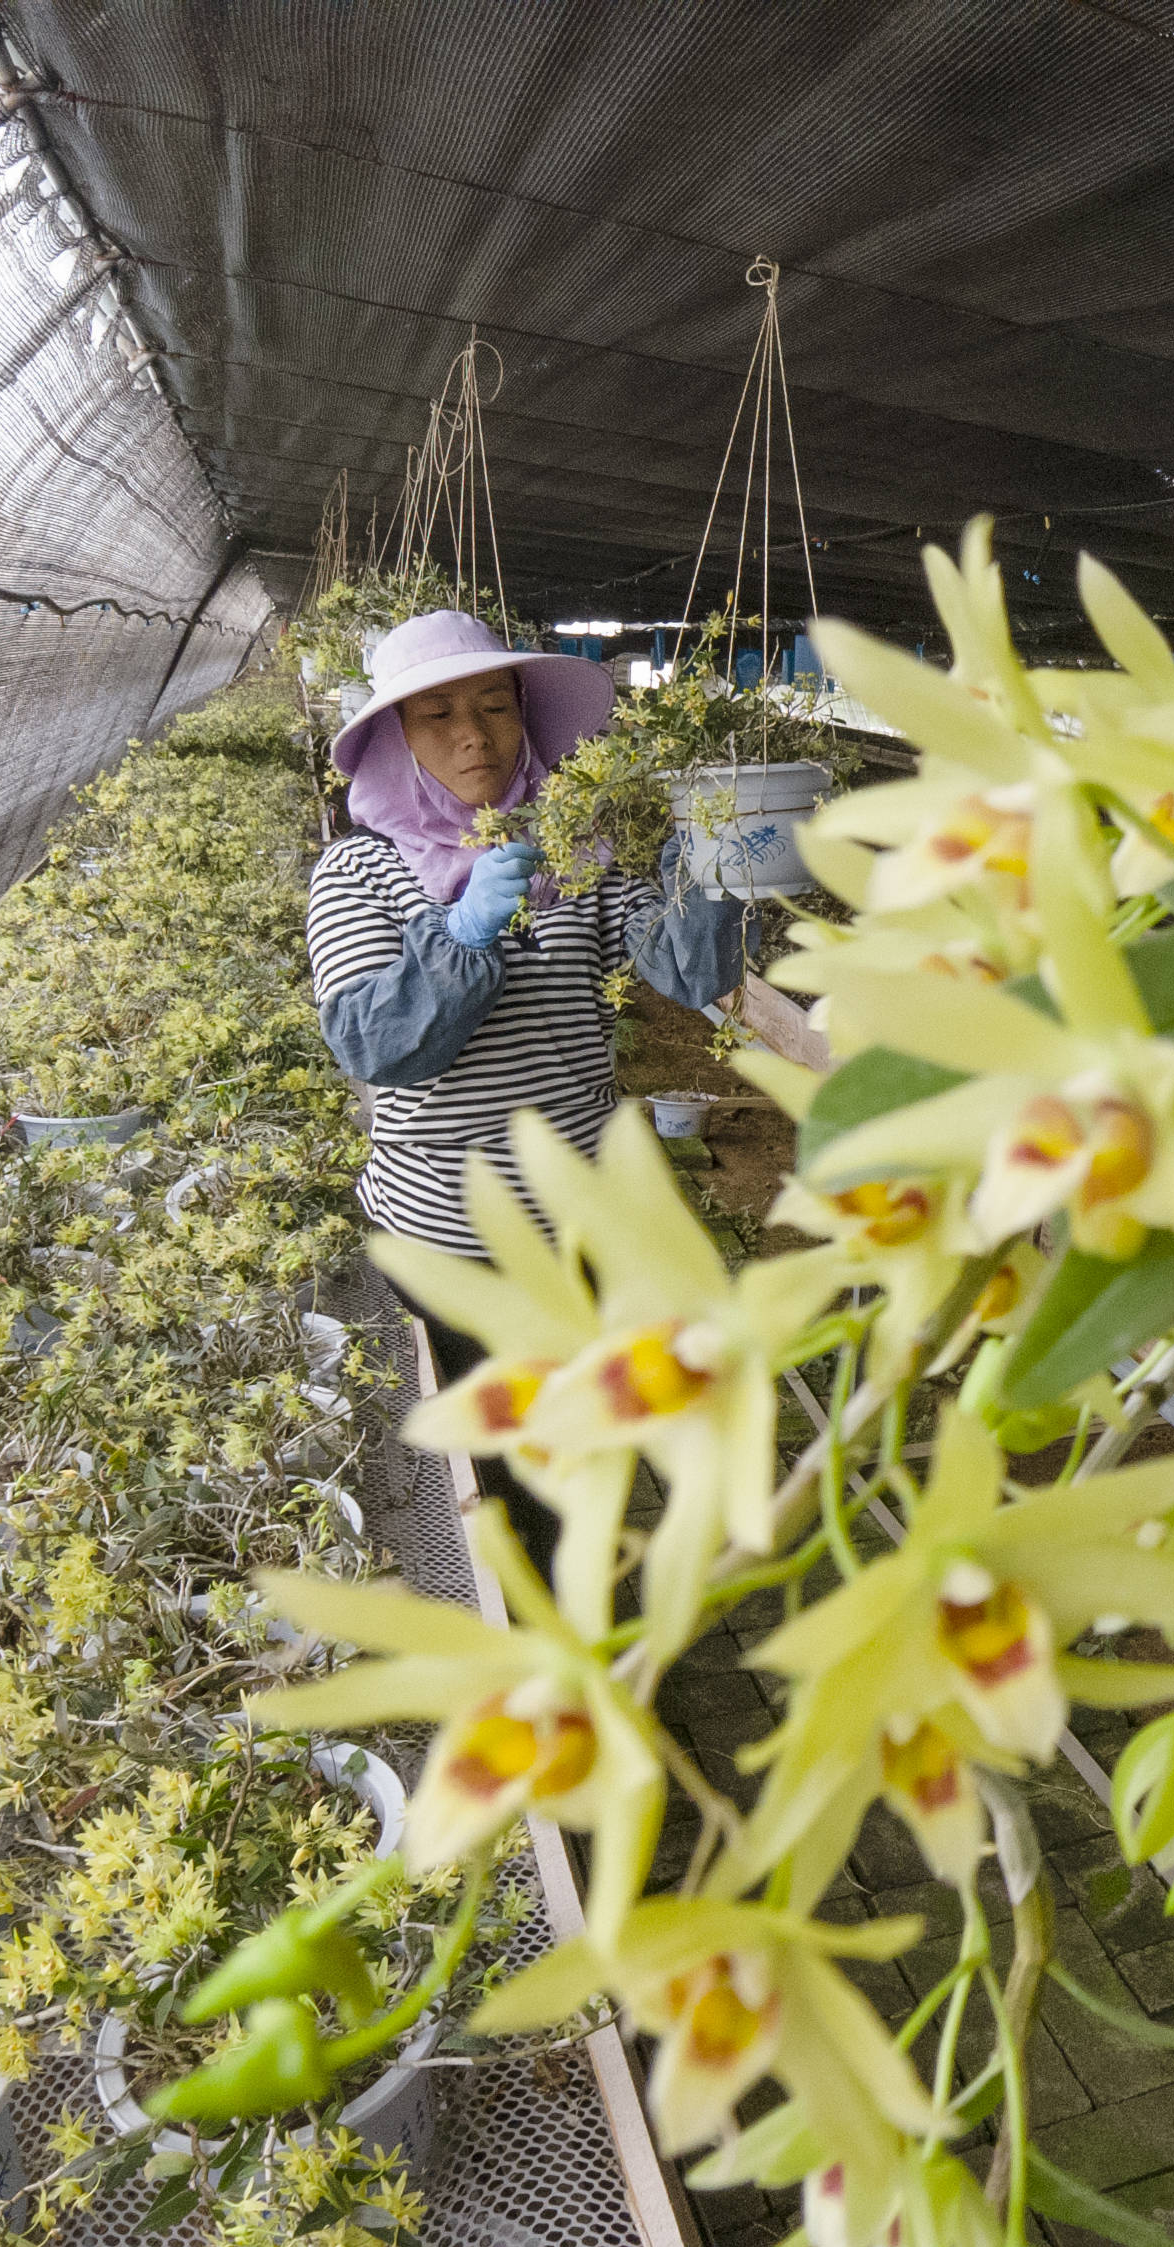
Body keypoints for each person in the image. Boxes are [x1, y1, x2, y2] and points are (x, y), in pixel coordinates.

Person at [306, 610, 746, 1560]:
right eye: (438, 716)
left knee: (581, 1465)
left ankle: (598, 1647)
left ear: (529, 721)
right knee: (493, 1485)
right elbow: (374, 1046)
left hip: (580, 1219)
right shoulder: (360, 873)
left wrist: (697, 860)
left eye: (495, 707)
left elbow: (688, 976)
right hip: (447, 1238)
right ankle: (550, 1668)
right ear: (395, 741)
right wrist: (463, 939)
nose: (474, 734)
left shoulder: (580, 860)